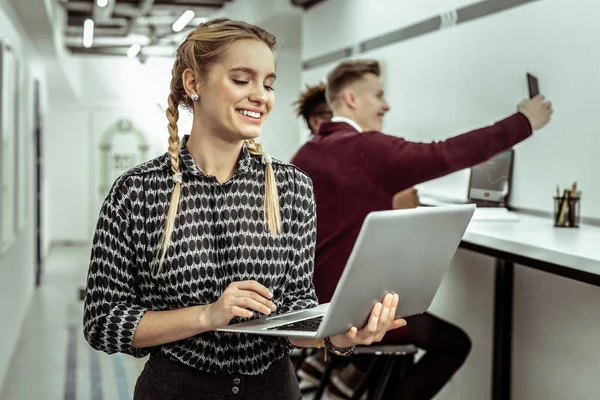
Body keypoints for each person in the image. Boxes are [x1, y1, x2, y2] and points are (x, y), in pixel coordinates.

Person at [82, 19, 407, 400]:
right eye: (242, 80)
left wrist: (339, 336)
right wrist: (207, 315)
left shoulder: (292, 188)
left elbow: (296, 309)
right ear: (193, 83)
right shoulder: (136, 191)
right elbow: (103, 322)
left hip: (274, 389)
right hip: (175, 390)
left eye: (268, 84)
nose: (261, 96)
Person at [290, 59, 552, 399]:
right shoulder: (368, 148)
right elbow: (446, 153)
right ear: (352, 99)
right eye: (379, 95)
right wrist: (525, 121)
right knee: (454, 344)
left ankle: (341, 379)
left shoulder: (305, 154)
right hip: (353, 313)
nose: (386, 105)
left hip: (314, 304)